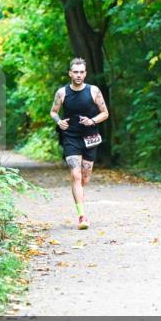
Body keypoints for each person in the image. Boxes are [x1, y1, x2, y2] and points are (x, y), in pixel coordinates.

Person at [50, 58, 109, 230]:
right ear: (70, 73)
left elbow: (105, 113)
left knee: (84, 178)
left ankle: (79, 195)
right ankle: (82, 216)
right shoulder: (62, 93)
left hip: (90, 138)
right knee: (75, 176)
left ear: (85, 73)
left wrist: (92, 120)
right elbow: (53, 112)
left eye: (81, 72)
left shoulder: (94, 91)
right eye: (75, 72)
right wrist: (59, 121)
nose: (78, 75)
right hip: (71, 137)